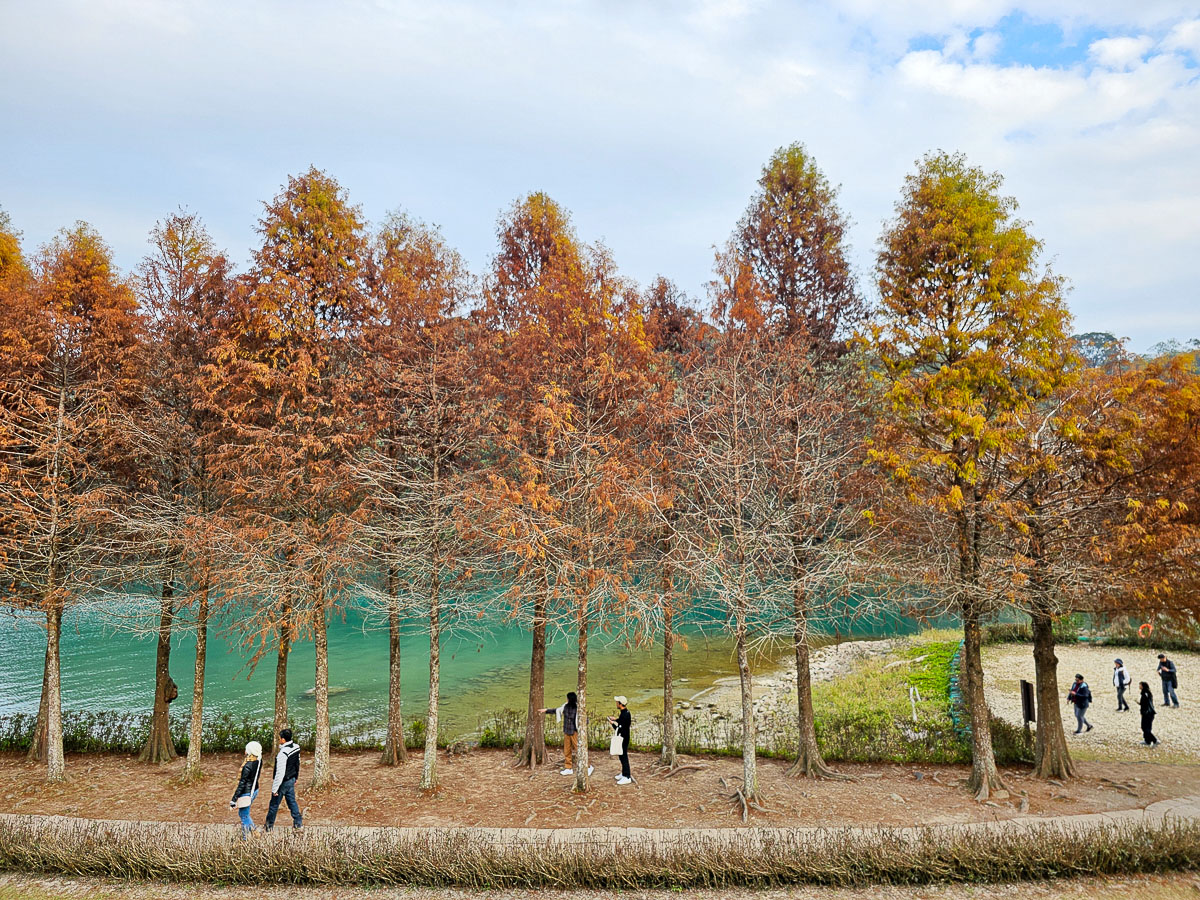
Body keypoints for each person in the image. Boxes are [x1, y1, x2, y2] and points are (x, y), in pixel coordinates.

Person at [539, 692, 592, 776]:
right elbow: (557, 710)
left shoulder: (579, 708)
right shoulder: (565, 707)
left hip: (575, 732)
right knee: (567, 750)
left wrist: (580, 728)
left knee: (579, 750)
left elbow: (586, 720)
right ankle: (568, 768)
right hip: (567, 732)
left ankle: (588, 767)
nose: (566, 700)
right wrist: (546, 710)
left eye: (567, 698)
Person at [264, 728, 303, 831]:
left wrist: (275, 789)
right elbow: (297, 763)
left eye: (280, 738)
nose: (279, 740)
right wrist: (296, 777)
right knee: (292, 802)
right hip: (291, 779)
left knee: (274, 805)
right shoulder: (296, 748)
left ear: (283, 740)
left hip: (283, 782)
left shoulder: (283, 754)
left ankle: (268, 827)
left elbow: (280, 773)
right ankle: (298, 823)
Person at [230, 740, 263, 837]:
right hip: (254, 789)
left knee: (244, 815)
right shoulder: (259, 761)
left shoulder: (247, 766)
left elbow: (242, 783)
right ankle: (255, 832)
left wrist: (234, 799)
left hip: (246, 792)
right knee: (244, 814)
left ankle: (246, 838)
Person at [607, 696, 632, 785]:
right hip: (624, 737)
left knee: (623, 756)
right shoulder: (625, 713)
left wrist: (612, 724)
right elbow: (622, 722)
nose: (616, 704)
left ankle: (627, 776)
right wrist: (616, 719)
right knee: (621, 756)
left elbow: (619, 728)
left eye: (617, 702)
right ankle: (624, 773)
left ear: (620, 704)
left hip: (623, 738)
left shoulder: (624, 714)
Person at [1139, 681, 1159, 746]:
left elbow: (1146, 703)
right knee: (1145, 727)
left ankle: (1154, 740)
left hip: (1148, 713)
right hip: (1147, 713)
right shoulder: (1146, 693)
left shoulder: (1145, 693)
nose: (1139, 686)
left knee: (1145, 728)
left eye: (1140, 685)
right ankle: (1147, 740)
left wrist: (1143, 711)